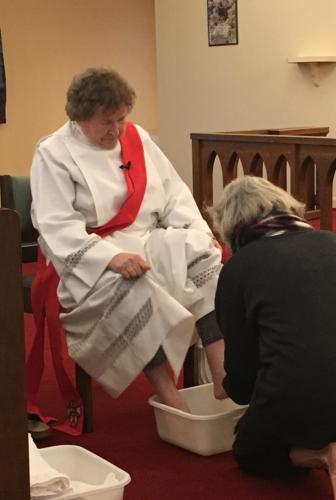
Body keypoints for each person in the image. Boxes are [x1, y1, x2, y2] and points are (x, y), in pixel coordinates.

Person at [29, 67, 225, 430]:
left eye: (121, 119)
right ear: (79, 116)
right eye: (106, 122)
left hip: (145, 236)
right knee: (129, 287)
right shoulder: (54, 152)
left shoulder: (137, 138)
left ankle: (220, 367)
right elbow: (56, 224)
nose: (116, 131)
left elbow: (174, 194)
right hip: (89, 254)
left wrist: (199, 231)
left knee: (201, 253)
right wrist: (110, 259)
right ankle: (167, 394)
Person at [210, 175, 336, 500]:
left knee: (250, 448)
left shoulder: (238, 268)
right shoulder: (333, 244)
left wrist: (230, 387)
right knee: (332, 406)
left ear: (231, 226)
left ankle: (325, 456)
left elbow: (242, 384)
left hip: (298, 395)